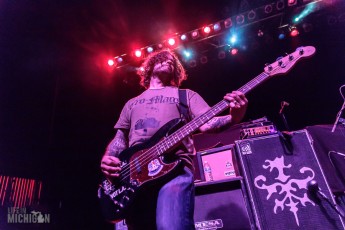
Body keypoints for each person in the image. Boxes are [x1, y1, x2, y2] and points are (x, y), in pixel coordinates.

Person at [100, 49, 248, 229]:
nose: (169, 61)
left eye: (172, 61)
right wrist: (109, 158)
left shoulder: (186, 95)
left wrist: (234, 116)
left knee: (171, 226)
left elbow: (207, 124)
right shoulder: (131, 103)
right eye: (163, 59)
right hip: (134, 177)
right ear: (149, 67)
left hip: (174, 168)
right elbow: (120, 138)